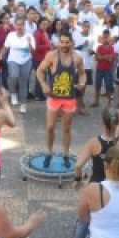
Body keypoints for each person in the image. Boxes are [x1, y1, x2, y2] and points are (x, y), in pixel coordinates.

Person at [36, 31, 87, 168]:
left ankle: (65, 154)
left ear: (72, 42)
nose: (64, 45)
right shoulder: (52, 55)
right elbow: (40, 70)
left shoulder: (77, 57)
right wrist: (44, 84)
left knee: (66, 128)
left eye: (67, 42)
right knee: (50, 127)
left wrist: (82, 84)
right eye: (62, 42)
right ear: (58, 42)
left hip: (69, 99)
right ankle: (49, 152)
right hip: (54, 98)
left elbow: (82, 74)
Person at [0, 17, 34, 113]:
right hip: (13, 60)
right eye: (17, 24)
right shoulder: (11, 35)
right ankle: (13, 92)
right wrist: (0, 54)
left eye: (21, 24)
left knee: (23, 83)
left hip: (26, 61)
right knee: (13, 76)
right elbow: (5, 47)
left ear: (24, 25)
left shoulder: (29, 36)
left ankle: (23, 104)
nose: (19, 26)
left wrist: (29, 43)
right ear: (15, 25)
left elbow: (32, 51)